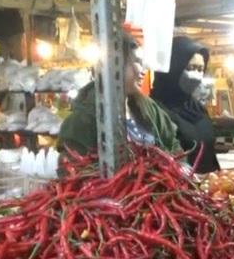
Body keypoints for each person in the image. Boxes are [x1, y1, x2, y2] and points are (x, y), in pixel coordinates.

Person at [58, 31, 181, 157]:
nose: (144, 71)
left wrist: (181, 167)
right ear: (115, 65)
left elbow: (172, 143)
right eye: (138, 62)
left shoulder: (148, 107)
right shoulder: (82, 120)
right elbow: (70, 166)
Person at [150, 37, 221, 174]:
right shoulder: (156, 110)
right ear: (173, 67)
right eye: (190, 68)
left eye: (200, 69)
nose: (196, 75)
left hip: (208, 188)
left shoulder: (198, 109)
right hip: (177, 189)